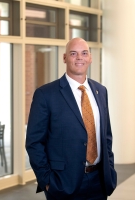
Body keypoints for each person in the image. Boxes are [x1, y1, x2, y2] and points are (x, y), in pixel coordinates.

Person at [26, 37, 117, 200]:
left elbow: (106, 135)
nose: (79, 58)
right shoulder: (46, 94)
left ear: (90, 58)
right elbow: (34, 142)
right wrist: (46, 180)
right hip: (63, 184)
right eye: (73, 53)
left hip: (99, 181)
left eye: (84, 53)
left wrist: (109, 168)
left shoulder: (101, 91)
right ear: (65, 58)